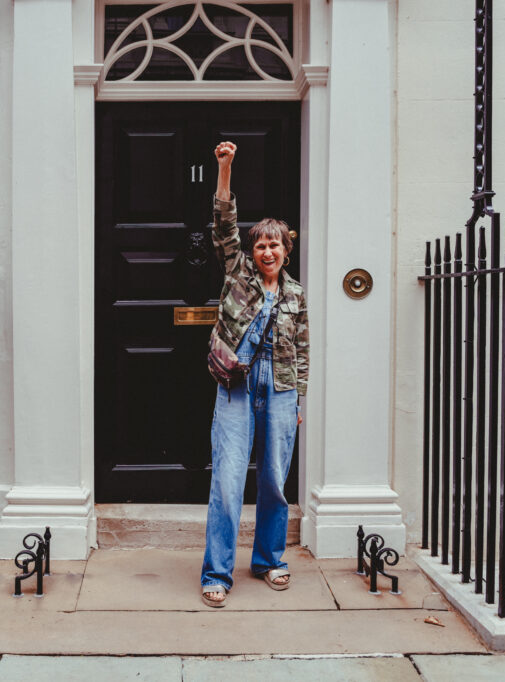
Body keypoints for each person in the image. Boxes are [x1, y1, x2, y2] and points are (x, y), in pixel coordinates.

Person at [200, 140, 309, 608]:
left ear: (287, 250)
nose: (268, 250)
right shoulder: (237, 272)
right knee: (227, 479)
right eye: (262, 243)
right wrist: (225, 168)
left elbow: (302, 349)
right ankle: (217, 571)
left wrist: (300, 401)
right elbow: (224, 223)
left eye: (275, 244)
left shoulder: (297, 295)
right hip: (237, 387)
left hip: (281, 389)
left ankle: (268, 560)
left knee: (273, 480)